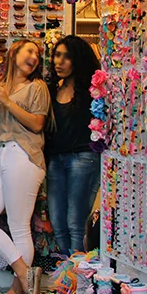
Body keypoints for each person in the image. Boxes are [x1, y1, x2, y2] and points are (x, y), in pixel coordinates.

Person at [0, 40, 51, 294]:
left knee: (19, 226)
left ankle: (18, 290)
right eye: (29, 51)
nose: (34, 57)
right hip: (0, 153)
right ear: (14, 53)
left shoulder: (36, 88)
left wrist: (6, 102)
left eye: (38, 55)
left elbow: (37, 123)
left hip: (24, 154)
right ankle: (25, 273)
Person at [46, 35, 101, 254]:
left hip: (83, 158)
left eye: (66, 57)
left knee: (75, 223)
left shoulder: (91, 92)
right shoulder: (52, 90)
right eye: (57, 55)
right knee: (58, 222)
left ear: (77, 60)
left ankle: (78, 280)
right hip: (56, 160)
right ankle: (68, 276)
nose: (59, 62)